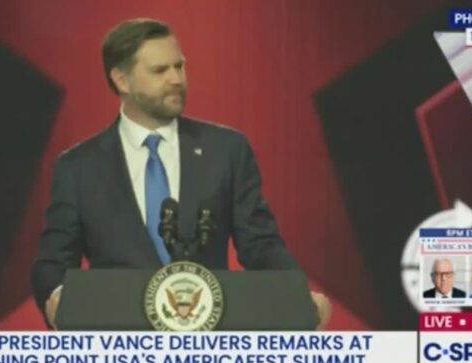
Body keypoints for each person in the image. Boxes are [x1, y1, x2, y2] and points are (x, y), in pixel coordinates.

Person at [30, 18, 330, 329]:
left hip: (211, 337)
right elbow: (53, 262)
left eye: (179, 66)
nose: (176, 79)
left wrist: (298, 297)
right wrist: (58, 299)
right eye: (160, 70)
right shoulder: (79, 167)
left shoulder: (226, 150)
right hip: (119, 339)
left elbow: (260, 245)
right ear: (121, 80)